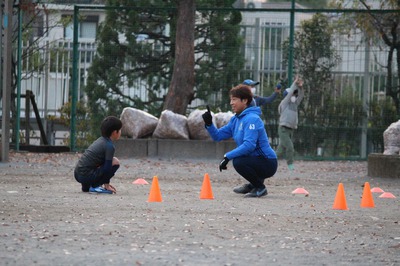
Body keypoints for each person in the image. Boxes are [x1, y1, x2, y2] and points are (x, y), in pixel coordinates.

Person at [202, 84, 278, 198]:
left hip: (268, 162)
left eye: (234, 99)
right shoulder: (236, 120)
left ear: (245, 101)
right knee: (239, 160)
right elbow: (218, 136)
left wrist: (227, 156)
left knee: (238, 162)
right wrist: (209, 123)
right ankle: (253, 185)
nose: (231, 103)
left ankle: (260, 188)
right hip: (256, 160)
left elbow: (249, 145)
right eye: (231, 100)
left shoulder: (252, 119)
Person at [74, 116, 122, 194]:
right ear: (114, 132)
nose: (120, 132)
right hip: (86, 176)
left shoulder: (99, 140)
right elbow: (107, 168)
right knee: (115, 161)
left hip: (77, 174)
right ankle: (95, 186)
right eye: (119, 130)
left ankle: (87, 186)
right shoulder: (109, 146)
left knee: (98, 163)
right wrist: (107, 184)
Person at [276, 75, 304, 171]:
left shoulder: (295, 104)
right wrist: (295, 83)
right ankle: (290, 165)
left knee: (280, 150)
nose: (294, 96)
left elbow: (300, 96)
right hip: (283, 129)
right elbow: (291, 93)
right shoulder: (284, 103)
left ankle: (269, 161)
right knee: (290, 147)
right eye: (293, 94)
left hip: (290, 129)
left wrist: (300, 87)